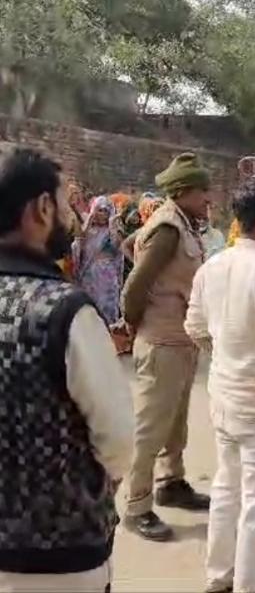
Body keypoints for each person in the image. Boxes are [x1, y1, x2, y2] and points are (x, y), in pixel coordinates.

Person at [0, 148, 133, 592]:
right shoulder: (66, 311)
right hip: (58, 559)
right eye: (63, 202)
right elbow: (117, 441)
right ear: (42, 208)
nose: (71, 215)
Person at [185, 179, 255, 593]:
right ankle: (248, 584)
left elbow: (195, 326)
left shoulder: (213, 266)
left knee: (227, 488)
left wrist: (227, 356)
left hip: (224, 392)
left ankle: (219, 576)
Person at [121, 152, 212, 541]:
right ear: (184, 191)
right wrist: (135, 320)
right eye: (203, 191)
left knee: (175, 423)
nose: (209, 198)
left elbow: (130, 245)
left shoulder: (182, 224)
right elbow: (135, 285)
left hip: (179, 339)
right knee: (151, 428)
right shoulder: (168, 229)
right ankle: (136, 505)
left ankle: (171, 483)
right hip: (161, 341)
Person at [72, 196, 125, 324]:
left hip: (107, 279)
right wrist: (89, 219)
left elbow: (116, 246)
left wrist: (112, 225)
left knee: (106, 314)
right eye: (99, 210)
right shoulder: (88, 231)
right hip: (89, 277)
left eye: (106, 211)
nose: (103, 214)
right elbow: (78, 244)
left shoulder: (112, 231)